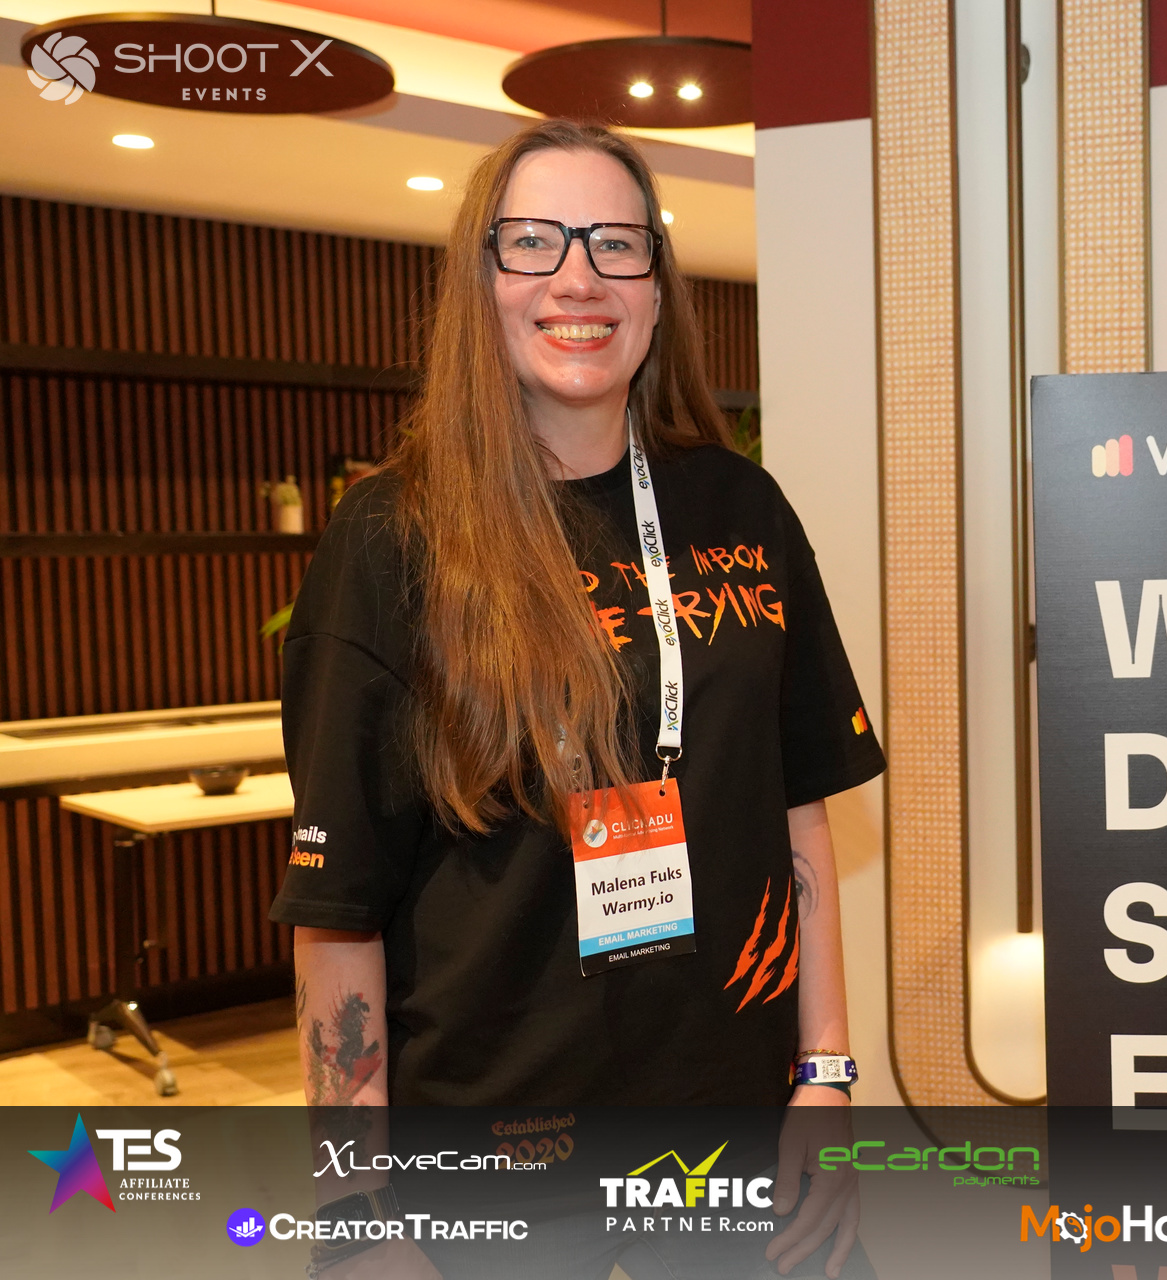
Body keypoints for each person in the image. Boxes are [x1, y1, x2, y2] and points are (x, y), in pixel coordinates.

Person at [268, 120, 883, 1276]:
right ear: (482, 277)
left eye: (615, 242)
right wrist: (354, 1207)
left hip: (733, 1127)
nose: (578, 277)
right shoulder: (393, 537)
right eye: (534, 241)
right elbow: (338, 907)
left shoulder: (742, 508)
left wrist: (828, 1072)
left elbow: (797, 807)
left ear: (656, 284)